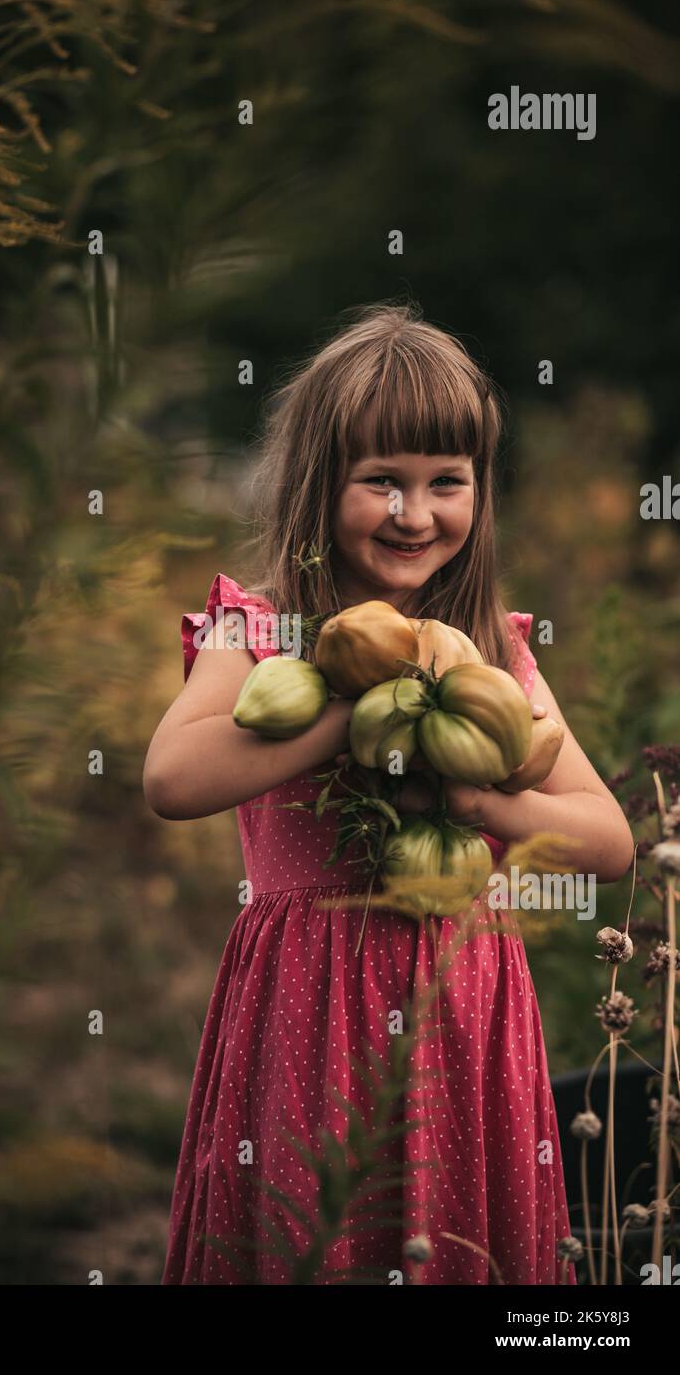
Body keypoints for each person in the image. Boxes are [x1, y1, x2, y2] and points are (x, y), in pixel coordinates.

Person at [144, 301, 635, 1285]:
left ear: (476, 492)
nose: (415, 513)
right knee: (307, 1236)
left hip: (463, 1001)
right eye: (381, 482)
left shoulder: (490, 655)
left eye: (443, 483)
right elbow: (170, 776)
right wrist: (351, 709)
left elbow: (607, 837)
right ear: (319, 486)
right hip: (307, 1004)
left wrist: (487, 809)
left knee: (458, 1243)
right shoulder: (265, 628)